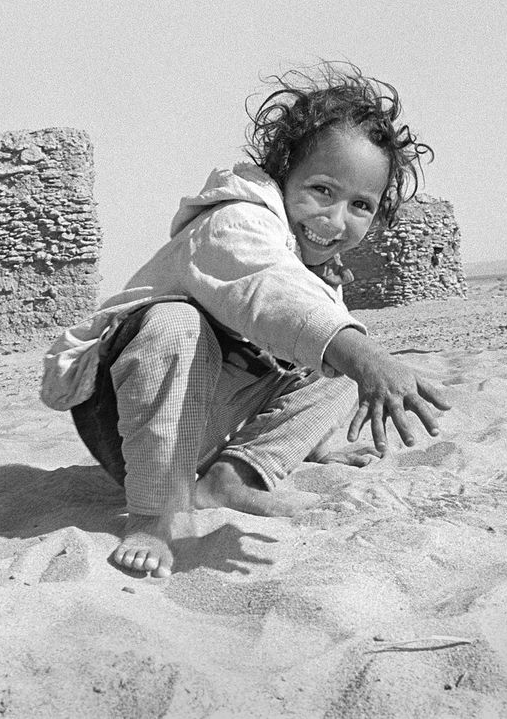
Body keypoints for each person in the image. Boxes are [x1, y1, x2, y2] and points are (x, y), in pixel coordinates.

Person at [41, 62, 452, 577]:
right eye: (322, 190)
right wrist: (365, 356)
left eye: (360, 205)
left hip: (200, 423)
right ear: (282, 175)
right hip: (120, 415)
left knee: (335, 364)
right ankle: (152, 516)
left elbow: (298, 341)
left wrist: (313, 438)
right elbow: (269, 293)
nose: (335, 218)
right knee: (179, 324)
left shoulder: (315, 267)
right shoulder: (236, 221)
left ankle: (231, 477)